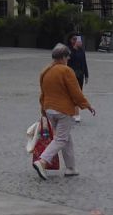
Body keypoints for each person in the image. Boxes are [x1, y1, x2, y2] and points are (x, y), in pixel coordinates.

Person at [34, 43, 96, 178]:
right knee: (61, 139)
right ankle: (42, 161)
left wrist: (43, 109)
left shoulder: (45, 70)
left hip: (49, 109)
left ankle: (71, 167)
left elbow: (42, 92)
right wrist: (87, 105)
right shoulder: (66, 71)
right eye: (67, 58)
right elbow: (76, 92)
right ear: (62, 57)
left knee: (66, 138)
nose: (68, 60)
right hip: (63, 110)